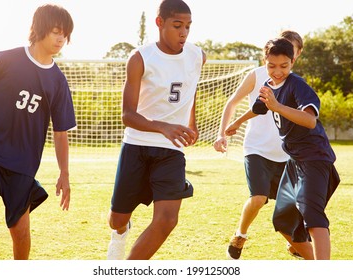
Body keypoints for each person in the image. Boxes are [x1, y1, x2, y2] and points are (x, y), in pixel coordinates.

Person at [0, 4, 75, 260]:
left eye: (65, 33)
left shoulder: (58, 81)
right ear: (39, 30)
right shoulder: (5, 59)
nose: (61, 38)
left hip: (23, 163)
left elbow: (61, 133)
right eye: (55, 31)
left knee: (20, 230)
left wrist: (64, 173)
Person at [106, 0, 206, 260]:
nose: (183, 32)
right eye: (177, 26)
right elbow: (127, 115)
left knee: (167, 220)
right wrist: (163, 127)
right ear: (159, 23)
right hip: (137, 146)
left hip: (171, 150)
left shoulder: (198, 55)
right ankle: (120, 232)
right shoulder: (140, 58)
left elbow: (191, 88)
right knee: (116, 219)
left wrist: (190, 122)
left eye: (188, 26)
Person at [226, 38, 340, 260]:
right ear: (264, 62)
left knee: (312, 214)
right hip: (295, 161)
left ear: (292, 63)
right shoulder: (268, 86)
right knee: (283, 220)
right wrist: (237, 122)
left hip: (314, 158)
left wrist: (278, 106)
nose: (277, 71)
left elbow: (309, 121)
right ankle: (309, 257)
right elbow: (258, 108)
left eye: (284, 66)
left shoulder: (297, 85)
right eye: (271, 66)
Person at [213, 30, 304, 260]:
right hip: (256, 150)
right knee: (259, 197)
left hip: (285, 155)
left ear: (296, 56)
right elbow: (232, 102)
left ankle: (297, 244)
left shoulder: (296, 83)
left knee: (291, 207)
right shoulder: (257, 75)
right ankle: (240, 235)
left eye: (290, 54)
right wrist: (222, 133)